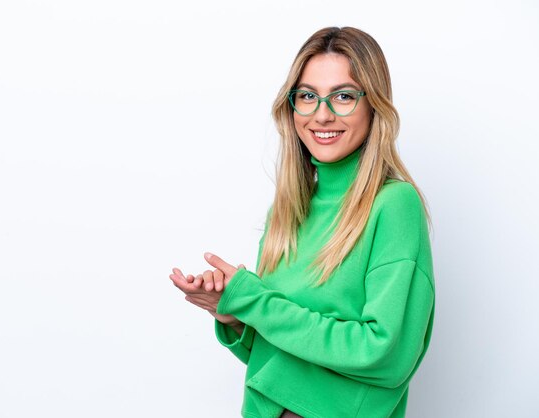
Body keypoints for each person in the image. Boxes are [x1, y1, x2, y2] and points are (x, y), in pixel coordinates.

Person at [169, 26, 435, 418]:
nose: (322, 114)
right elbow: (278, 360)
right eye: (307, 96)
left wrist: (255, 302)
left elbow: (385, 354)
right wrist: (235, 316)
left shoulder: (394, 205)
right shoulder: (289, 208)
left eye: (343, 96)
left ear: (374, 105)